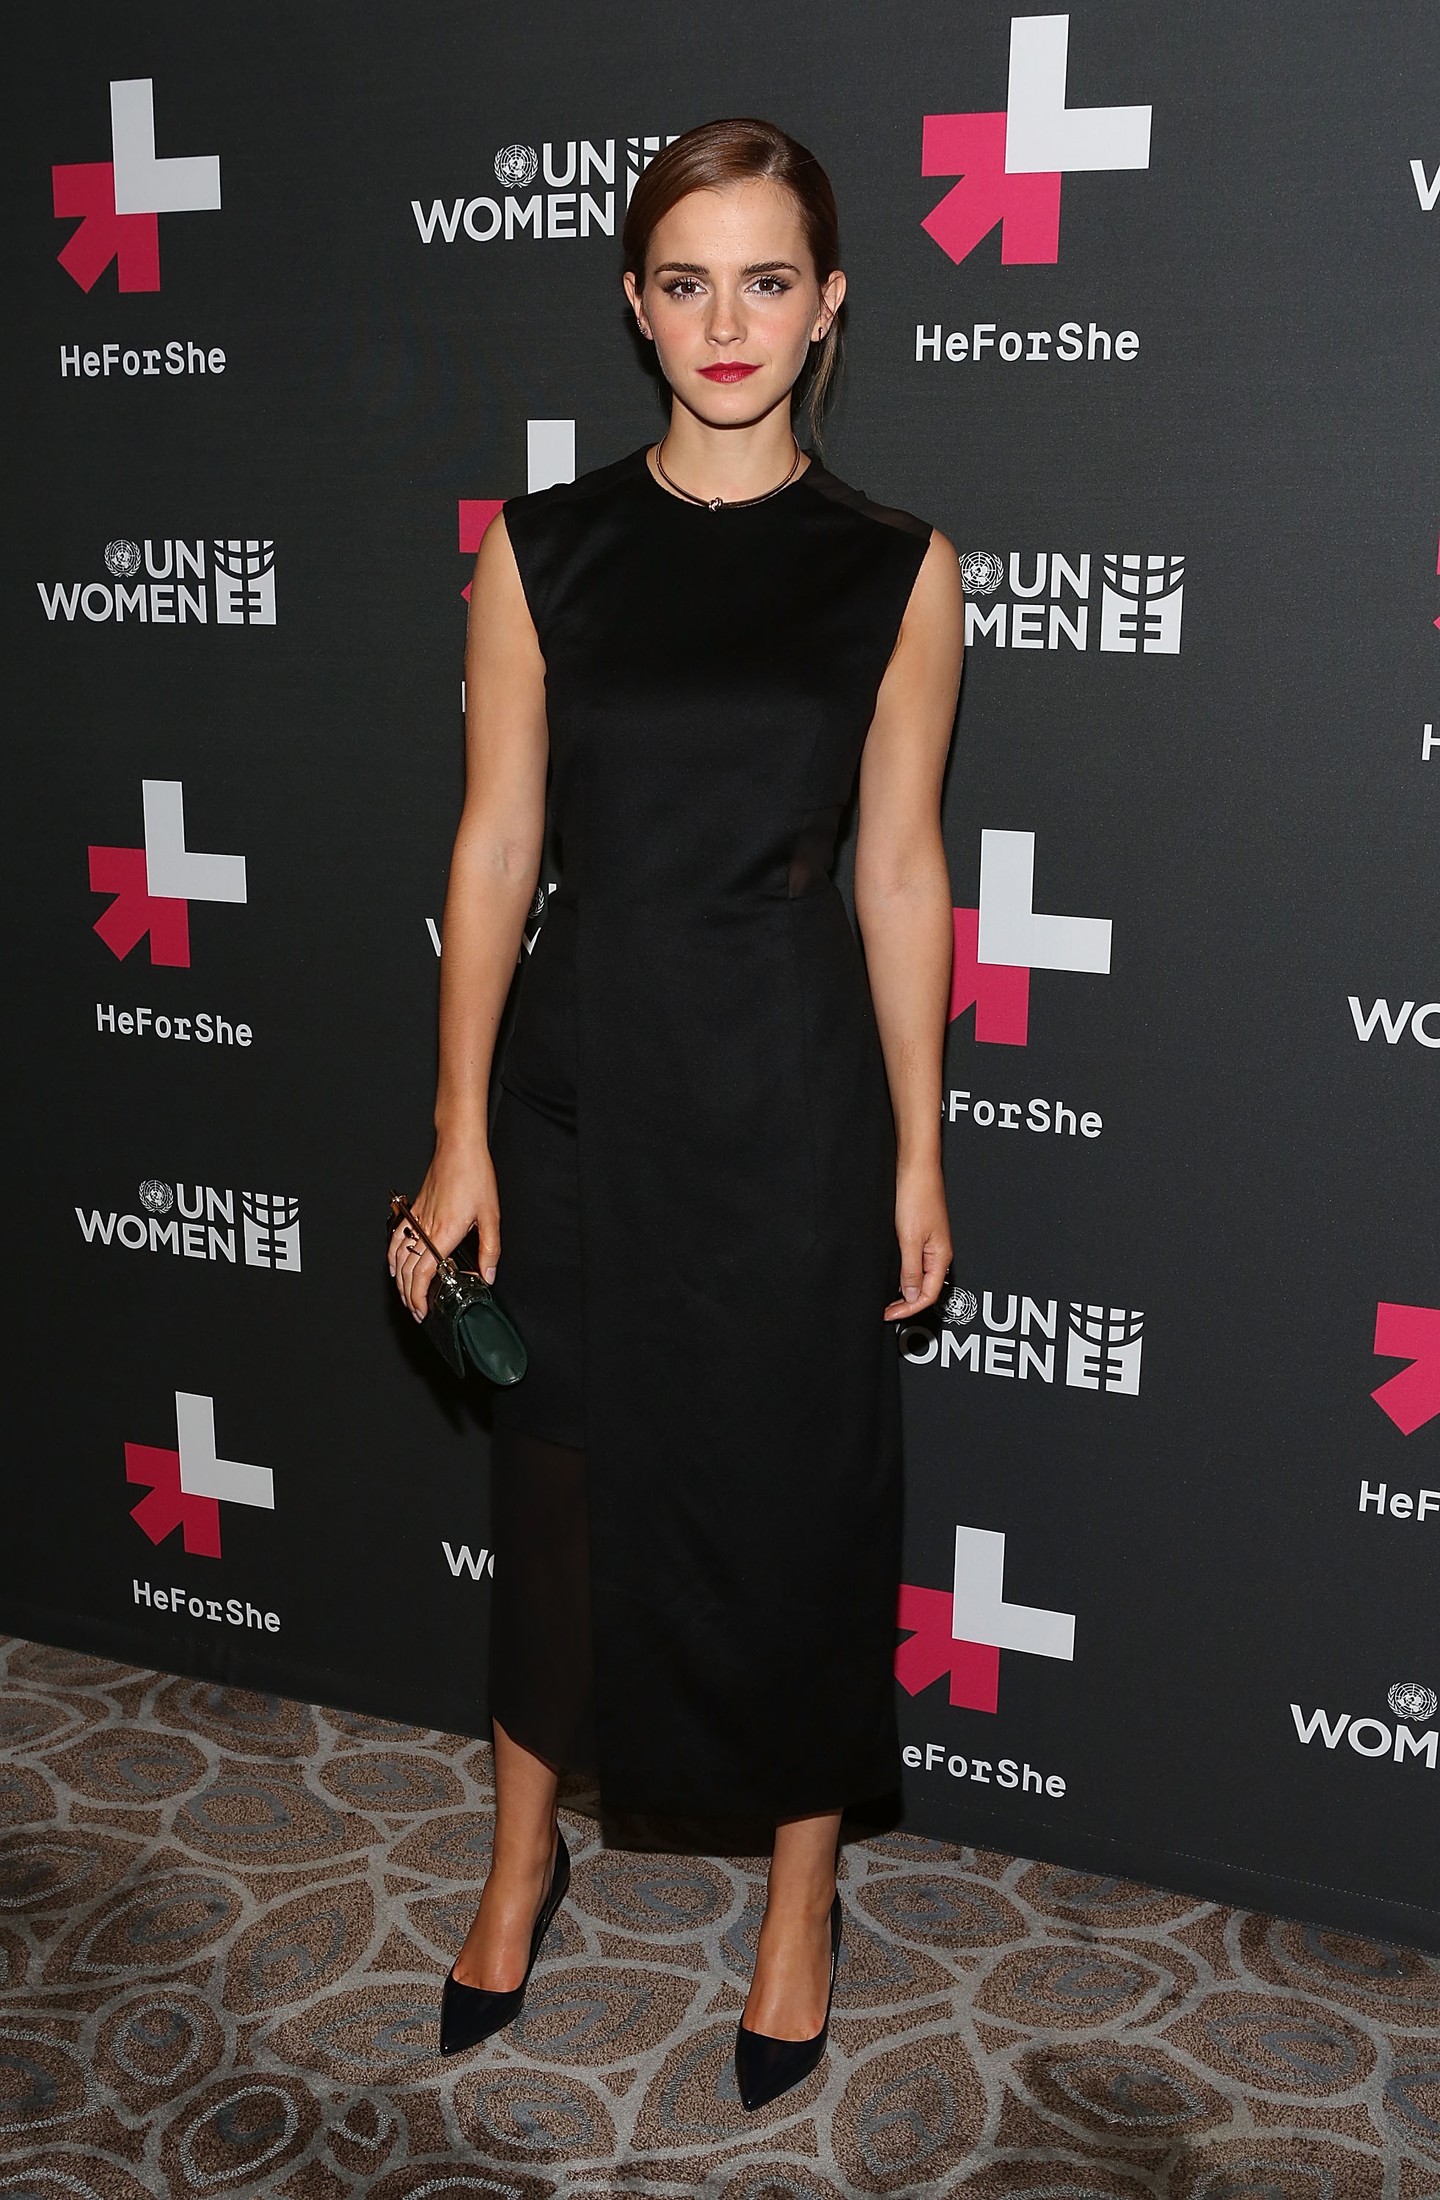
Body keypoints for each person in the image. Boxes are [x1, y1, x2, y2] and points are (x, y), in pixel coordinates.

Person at [388, 116, 962, 2111]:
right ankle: (518, 1857)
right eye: (689, 281)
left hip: (792, 1096)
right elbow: (495, 846)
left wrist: (920, 1147)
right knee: (554, 1494)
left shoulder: (898, 568)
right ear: (635, 305)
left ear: (829, 305)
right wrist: (458, 1127)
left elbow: (903, 871)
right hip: (578, 1086)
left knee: (803, 1499)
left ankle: (805, 1900)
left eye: (769, 280)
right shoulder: (541, 550)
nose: (730, 322)